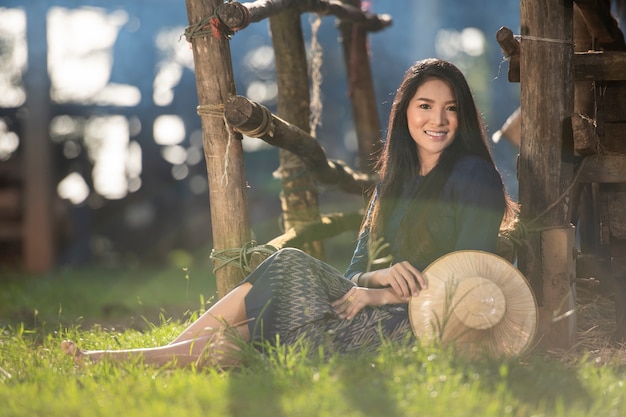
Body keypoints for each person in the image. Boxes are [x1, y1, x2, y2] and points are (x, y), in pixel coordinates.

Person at [62, 58, 518, 368]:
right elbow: (357, 270)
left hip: (425, 329)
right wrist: (377, 281)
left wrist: (382, 297)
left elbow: (471, 284)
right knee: (288, 264)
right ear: (405, 115)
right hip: (369, 307)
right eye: (426, 106)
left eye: (450, 109)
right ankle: (193, 352)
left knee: (263, 324)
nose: (437, 120)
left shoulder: (473, 178)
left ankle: (144, 358)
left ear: (462, 118)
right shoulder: (393, 184)